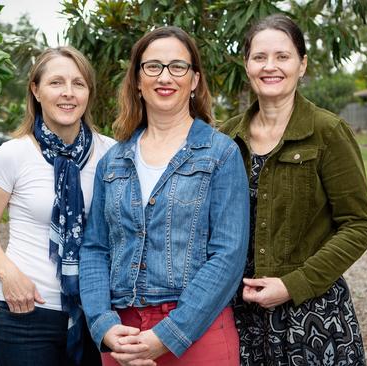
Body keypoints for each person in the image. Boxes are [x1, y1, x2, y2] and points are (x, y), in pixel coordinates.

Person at [79, 26, 249, 366]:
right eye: (152, 66)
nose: (165, 76)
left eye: (178, 66)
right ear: (138, 81)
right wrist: (103, 324)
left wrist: (168, 335)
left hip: (197, 333)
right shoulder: (113, 161)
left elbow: (228, 257)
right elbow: (95, 248)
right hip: (123, 338)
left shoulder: (221, 154)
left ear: (195, 80)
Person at [220, 14, 367, 365]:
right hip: (240, 315)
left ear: (302, 64)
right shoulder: (226, 139)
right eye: (259, 57)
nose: (270, 67)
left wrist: (294, 284)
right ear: (246, 65)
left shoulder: (327, 131)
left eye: (282, 56)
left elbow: (359, 225)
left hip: (311, 315)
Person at [0, 46, 115, 366]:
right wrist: (9, 274)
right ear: (35, 90)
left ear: (89, 93)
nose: (68, 93)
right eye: (56, 83)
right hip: (25, 314)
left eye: (79, 84)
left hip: (97, 314)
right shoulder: (12, 155)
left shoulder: (112, 154)